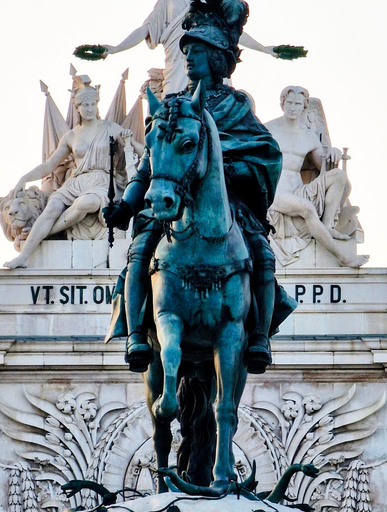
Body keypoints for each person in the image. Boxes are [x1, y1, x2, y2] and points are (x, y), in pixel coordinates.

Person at [105, 0, 294, 375]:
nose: (189, 58)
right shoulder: (173, 105)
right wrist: (127, 205)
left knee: (263, 255)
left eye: (199, 52)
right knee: (140, 251)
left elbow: (266, 154)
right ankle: (136, 334)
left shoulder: (237, 104)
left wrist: (228, 169)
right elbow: (148, 164)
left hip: (229, 205)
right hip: (172, 203)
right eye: (187, 51)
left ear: (219, 59)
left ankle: (259, 336)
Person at [4, 81, 143, 268]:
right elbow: (49, 165)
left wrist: (130, 140)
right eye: (85, 105)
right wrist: (24, 178)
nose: (90, 108)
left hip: (101, 181)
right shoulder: (71, 136)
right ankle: (24, 256)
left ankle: (45, 234)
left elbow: (142, 152)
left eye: (93, 104)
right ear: (77, 108)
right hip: (76, 183)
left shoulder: (110, 128)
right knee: (52, 207)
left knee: (87, 203)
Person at [265, 86, 369, 267]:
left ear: (304, 107)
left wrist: (334, 153)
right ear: (282, 104)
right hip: (275, 192)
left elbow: (324, 168)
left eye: (297, 104)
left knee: (338, 176)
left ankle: (327, 225)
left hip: (297, 191)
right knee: (306, 208)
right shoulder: (268, 129)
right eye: (289, 103)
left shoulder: (308, 136)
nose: (292, 108)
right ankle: (343, 256)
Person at [96, 0, 279, 96]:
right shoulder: (168, 2)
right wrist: (116, 48)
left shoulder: (212, 2)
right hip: (178, 65)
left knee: (216, 106)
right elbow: (146, 29)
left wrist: (263, 49)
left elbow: (232, 31)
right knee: (172, 114)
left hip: (210, 64)